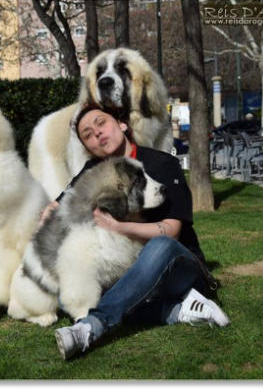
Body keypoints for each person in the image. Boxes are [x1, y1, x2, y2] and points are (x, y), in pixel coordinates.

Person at [50, 105, 230, 360]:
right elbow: (57, 206)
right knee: (66, 293)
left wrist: (119, 227)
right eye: (88, 135)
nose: (97, 134)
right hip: (132, 273)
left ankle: (89, 327)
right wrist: (47, 212)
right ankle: (176, 311)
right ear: (89, 148)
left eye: (101, 123)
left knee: (160, 245)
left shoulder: (162, 163)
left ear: (122, 124)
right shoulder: (94, 171)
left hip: (176, 266)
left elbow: (172, 231)